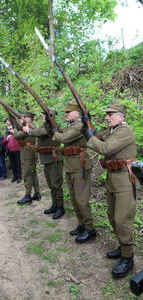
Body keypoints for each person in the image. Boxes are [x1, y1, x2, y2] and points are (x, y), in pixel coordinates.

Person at [82, 101, 137, 278]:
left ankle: (128, 257)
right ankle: (122, 247)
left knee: (122, 220)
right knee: (112, 216)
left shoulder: (124, 131)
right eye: (107, 114)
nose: (106, 117)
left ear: (120, 117)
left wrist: (90, 137)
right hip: (113, 177)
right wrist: (87, 124)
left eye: (110, 114)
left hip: (124, 179)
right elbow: (100, 137)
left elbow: (105, 148)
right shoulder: (113, 130)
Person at [52, 100, 96, 242]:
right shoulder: (71, 125)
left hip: (80, 165)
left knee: (81, 199)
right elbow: (60, 133)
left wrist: (55, 132)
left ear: (76, 114)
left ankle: (90, 229)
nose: (65, 114)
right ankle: (82, 224)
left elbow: (63, 137)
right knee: (74, 198)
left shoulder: (79, 125)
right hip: (71, 165)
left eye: (68, 112)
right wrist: (50, 123)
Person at [23, 108, 64, 219]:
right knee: (51, 184)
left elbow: (39, 132)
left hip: (54, 158)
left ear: (49, 116)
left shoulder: (52, 127)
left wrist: (28, 130)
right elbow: (39, 131)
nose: (42, 116)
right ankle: (55, 205)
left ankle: (60, 207)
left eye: (44, 115)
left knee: (56, 185)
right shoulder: (45, 125)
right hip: (47, 158)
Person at [14, 112, 41, 204]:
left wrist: (18, 127)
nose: (24, 119)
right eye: (24, 117)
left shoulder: (29, 127)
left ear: (30, 118)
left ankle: (27, 195)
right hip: (30, 150)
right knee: (33, 173)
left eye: (26, 117)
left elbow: (16, 135)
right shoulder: (31, 126)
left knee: (26, 173)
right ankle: (37, 193)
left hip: (27, 151)